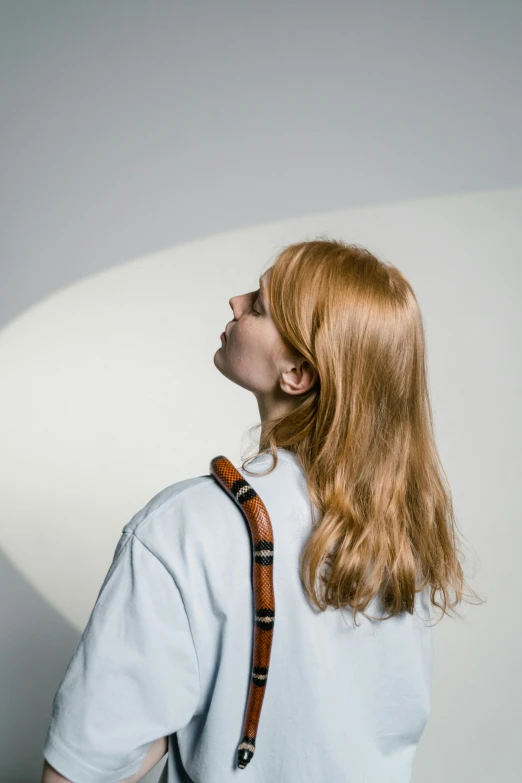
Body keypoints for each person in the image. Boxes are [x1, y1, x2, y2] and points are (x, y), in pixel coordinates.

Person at [41, 238, 482, 783]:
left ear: (297, 372)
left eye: (259, 306)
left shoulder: (183, 528)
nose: (234, 301)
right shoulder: (401, 533)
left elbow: (81, 773)